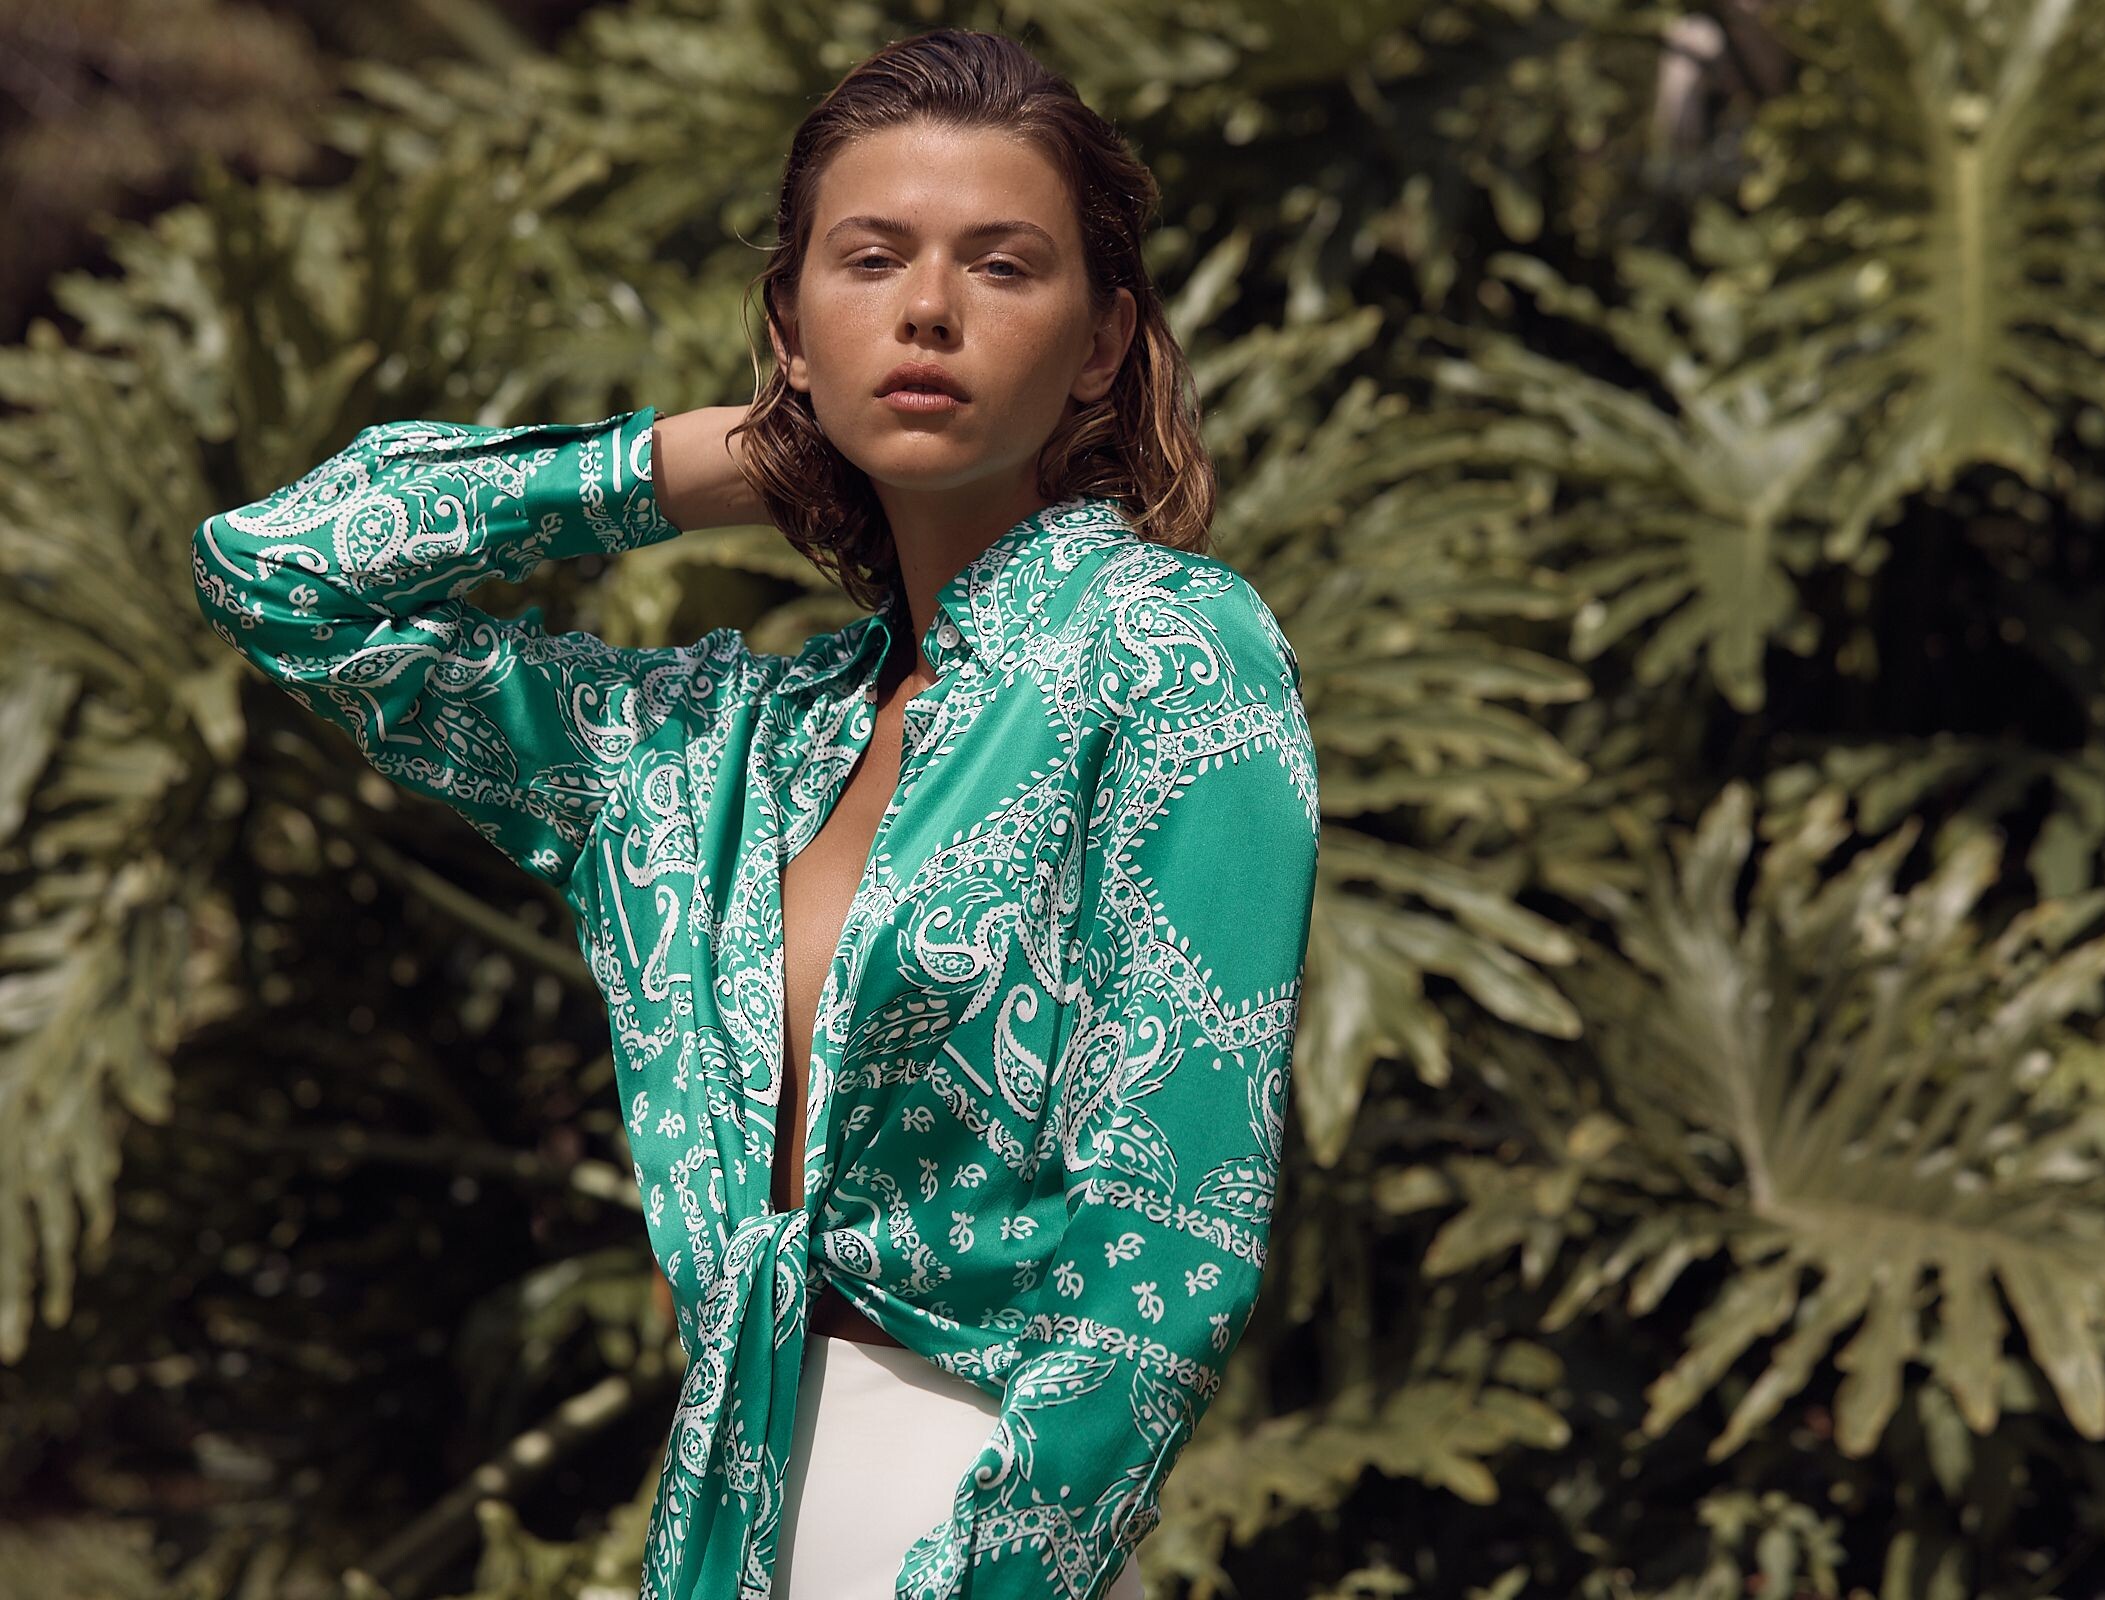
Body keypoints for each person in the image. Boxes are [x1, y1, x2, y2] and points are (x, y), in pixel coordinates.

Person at [188, 24, 1320, 1600]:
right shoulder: (712, 756)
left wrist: (988, 1578)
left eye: (1004, 266)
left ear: (1102, 339)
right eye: (871, 260)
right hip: (728, 1527)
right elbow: (281, 576)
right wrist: (707, 464)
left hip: (989, 1539)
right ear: (790, 324)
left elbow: (1170, 1245)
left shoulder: (1167, 654)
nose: (928, 309)